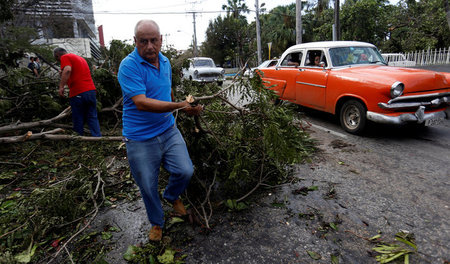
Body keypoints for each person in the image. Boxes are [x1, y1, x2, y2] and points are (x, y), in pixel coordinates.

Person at [117, 20, 202, 241]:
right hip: (139, 138)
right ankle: (157, 223)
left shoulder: (164, 62)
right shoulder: (128, 66)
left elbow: (167, 91)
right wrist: (179, 106)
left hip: (167, 129)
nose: (149, 46)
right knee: (147, 185)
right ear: (135, 41)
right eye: (143, 41)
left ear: (161, 40)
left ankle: (172, 195)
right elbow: (142, 103)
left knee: (185, 171)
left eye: (154, 40)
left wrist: (186, 108)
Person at [53, 47, 101, 137]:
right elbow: (75, 73)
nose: (60, 62)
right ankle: (97, 138)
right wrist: (63, 74)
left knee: (78, 117)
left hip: (78, 92)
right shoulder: (80, 58)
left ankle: (78, 139)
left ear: (57, 55)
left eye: (57, 59)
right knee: (92, 116)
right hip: (90, 91)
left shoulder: (64, 57)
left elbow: (67, 70)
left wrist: (61, 87)